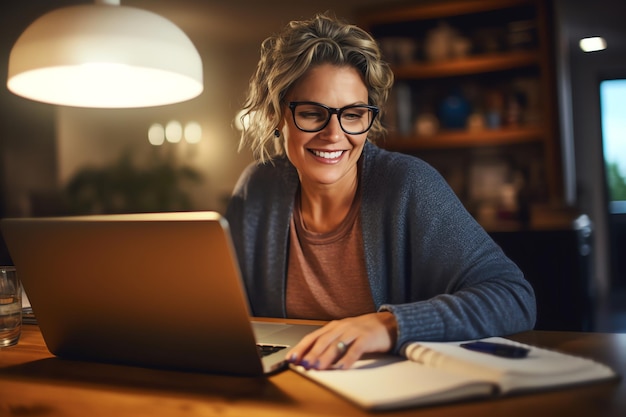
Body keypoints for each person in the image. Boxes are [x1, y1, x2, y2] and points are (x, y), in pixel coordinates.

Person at [225, 13, 536, 371]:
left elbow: (514, 297)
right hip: (286, 386)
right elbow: (220, 307)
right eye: (312, 113)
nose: (334, 134)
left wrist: (389, 325)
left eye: (353, 115)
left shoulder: (409, 184)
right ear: (278, 115)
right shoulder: (257, 188)